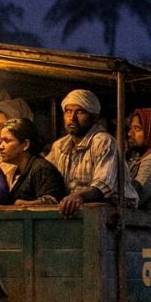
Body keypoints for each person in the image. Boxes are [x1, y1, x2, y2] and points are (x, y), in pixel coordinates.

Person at [48, 89, 137, 217]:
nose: (72, 118)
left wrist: (79, 196)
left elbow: (103, 184)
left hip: (111, 214)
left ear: (94, 117)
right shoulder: (59, 146)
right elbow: (48, 177)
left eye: (80, 112)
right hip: (78, 213)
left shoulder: (104, 142)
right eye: (68, 111)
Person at [0, 117, 66, 205]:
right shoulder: (17, 170)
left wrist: (24, 204)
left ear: (25, 144)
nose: (0, 146)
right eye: (1, 141)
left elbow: (52, 202)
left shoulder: (42, 168)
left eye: (7, 141)